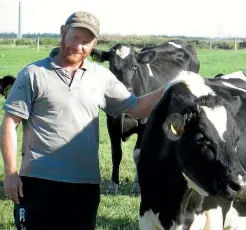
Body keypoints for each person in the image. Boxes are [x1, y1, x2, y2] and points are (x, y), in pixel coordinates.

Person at [0, 10, 189, 230]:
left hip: (85, 186)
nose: (78, 46)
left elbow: (136, 107)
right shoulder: (33, 74)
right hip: (38, 182)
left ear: (94, 45)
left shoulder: (100, 77)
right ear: (63, 32)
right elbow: (9, 123)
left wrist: (171, 87)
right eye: (74, 37)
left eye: (86, 42)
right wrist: (11, 173)